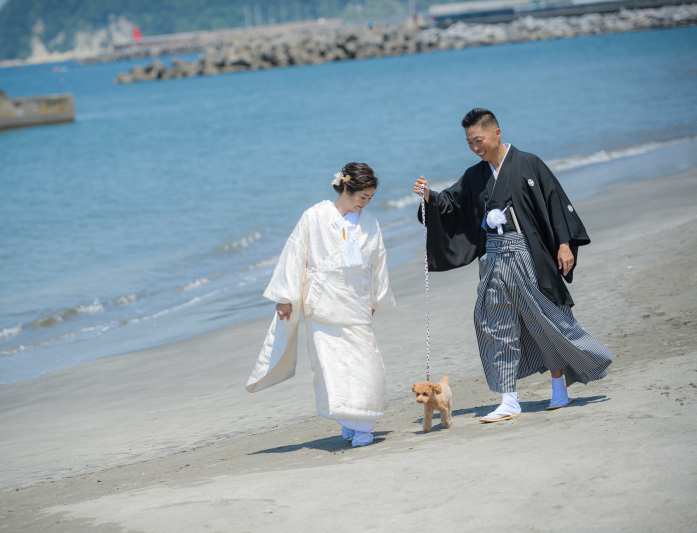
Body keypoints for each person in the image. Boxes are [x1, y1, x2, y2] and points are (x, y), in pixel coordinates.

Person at [413, 108, 613, 422]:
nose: (475, 147)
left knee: (543, 320)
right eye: (469, 143)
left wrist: (564, 243)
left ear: (496, 133)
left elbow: (555, 201)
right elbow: (453, 204)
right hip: (491, 257)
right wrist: (430, 197)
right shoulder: (474, 175)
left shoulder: (528, 163)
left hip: (525, 253)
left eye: (478, 140)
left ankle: (559, 386)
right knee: (494, 324)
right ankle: (509, 400)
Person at [246, 163, 396, 447]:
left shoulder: (370, 223)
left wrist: (376, 298)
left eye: (369, 199)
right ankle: (349, 421)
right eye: (361, 197)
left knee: (365, 362)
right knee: (331, 366)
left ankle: (362, 422)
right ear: (346, 189)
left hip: (355, 302)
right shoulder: (313, 216)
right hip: (322, 301)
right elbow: (294, 255)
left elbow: (379, 261)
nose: (364, 204)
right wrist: (285, 298)